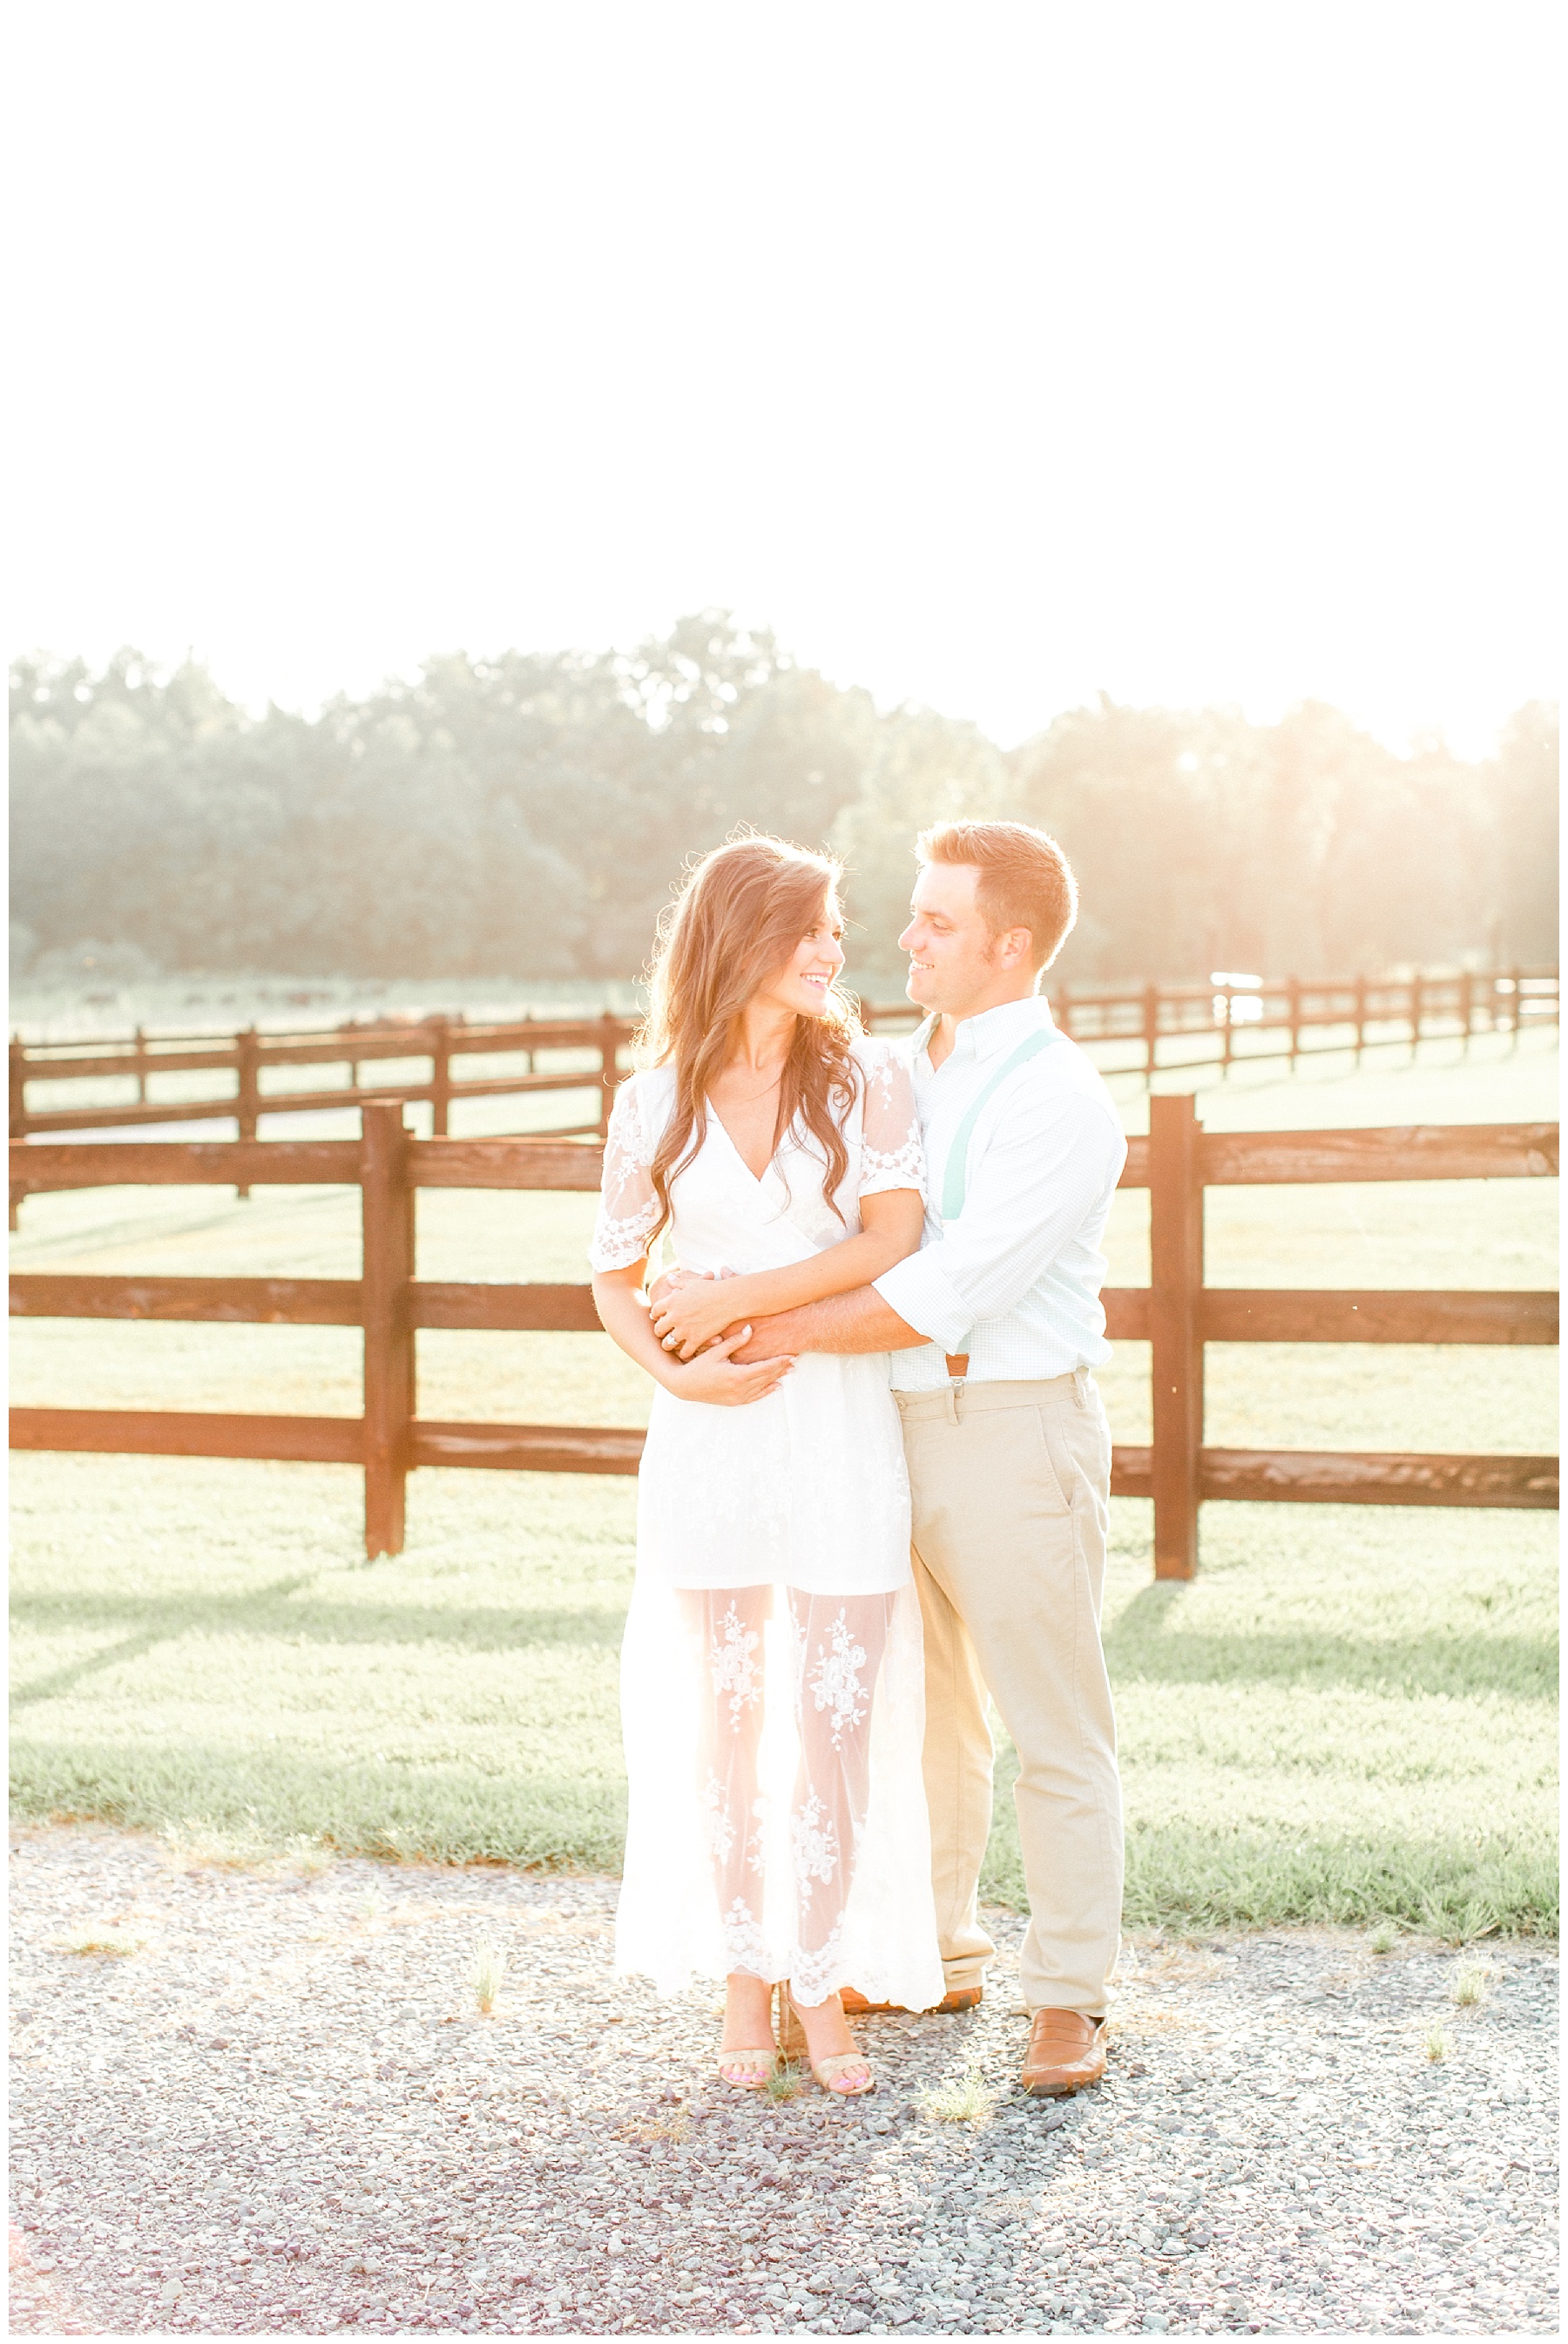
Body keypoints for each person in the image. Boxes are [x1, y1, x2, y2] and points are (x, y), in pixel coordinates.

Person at [664, 819, 1127, 2098]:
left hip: (1007, 1424)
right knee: (919, 1712)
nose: (903, 937)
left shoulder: (1056, 1098)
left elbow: (944, 1283)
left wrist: (752, 1319)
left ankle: (1070, 1995)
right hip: (868, 1426)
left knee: (1053, 1722)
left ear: (1010, 943)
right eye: (911, 915)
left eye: (935, 921)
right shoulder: (883, 1063)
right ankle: (941, 1940)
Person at [589, 831, 944, 2097]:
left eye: (840, 929)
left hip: (839, 1432)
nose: (836, 951)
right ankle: (745, 1977)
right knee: (725, 1725)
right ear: (740, 936)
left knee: (833, 1725)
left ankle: (819, 1977)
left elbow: (893, 1238)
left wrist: (741, 1294)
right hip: (709, 1438)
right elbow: (613, 1277)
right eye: (812, 929)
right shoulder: (656, 1097)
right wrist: (677, 1368)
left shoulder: (869, 1082)